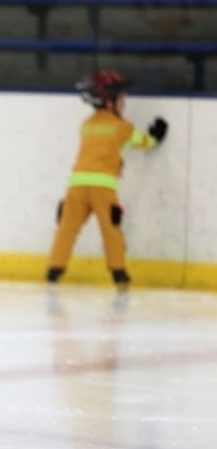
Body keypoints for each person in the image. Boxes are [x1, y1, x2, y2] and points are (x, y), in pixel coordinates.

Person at [47, 70, 167, 288]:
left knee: (66, 228)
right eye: (122, 97)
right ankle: (118, 273)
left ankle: (54, 269)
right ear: (110, 100)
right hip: (103, 190)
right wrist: (155, 137)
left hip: (76, 186)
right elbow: (143, 142)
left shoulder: (87, 125)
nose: (124, 101)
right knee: (111, 230)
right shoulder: (122, 127)